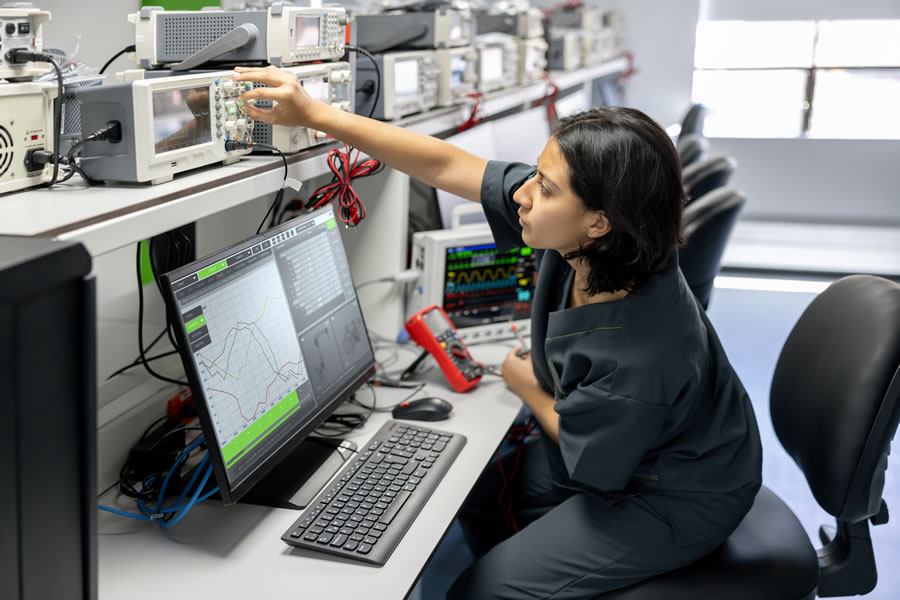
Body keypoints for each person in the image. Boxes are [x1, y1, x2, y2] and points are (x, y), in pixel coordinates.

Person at [232, 66, 763, 599]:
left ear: (598, 221)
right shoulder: (607, 238)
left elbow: (594, 456)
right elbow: (446, 162)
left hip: (673, 492)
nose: (524, 195)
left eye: (546, 188)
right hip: (632, 443)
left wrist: (524, 382)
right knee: (484, 492)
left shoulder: (644, 349)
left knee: (483, 588)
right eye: (535, 173)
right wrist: (318, 115)